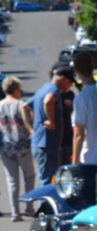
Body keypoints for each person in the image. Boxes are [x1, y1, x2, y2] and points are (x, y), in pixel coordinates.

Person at [30, 66, 74, 184]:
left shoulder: (43, 88)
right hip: (47, 144)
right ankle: (45, 203)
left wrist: (31, 128)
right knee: (47, 181)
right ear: (63, 79)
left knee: (46, 178)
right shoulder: (53, 90)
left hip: (39, 143)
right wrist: (51, 121)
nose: (70, 86)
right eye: (70, 83)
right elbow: (48, 101)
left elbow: (25, 107)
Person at [0, 76, 36, 221]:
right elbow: (29, 122)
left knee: (12, 180)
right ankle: (29, 206)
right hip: (23, 147)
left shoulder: (0, 105)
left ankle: (15, 212)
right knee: (29, 177)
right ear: (15, 89)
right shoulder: (21, 105)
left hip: (6, 147)